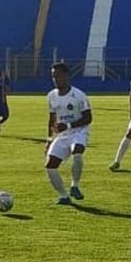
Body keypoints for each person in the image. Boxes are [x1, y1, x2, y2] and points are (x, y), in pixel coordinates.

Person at [44, 63, 92, 205]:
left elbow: (88, 118)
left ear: (66, 76)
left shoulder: (78, 95)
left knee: (77, 151)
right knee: (50, 165)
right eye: (54, 76)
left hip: (79, 131)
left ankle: (75, 186)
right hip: (63, 135)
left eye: (58, 76)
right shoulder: (51, 96)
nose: (56, 79)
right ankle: (63, 196)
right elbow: (52, 119)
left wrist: (68, 125)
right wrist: (49, 139)